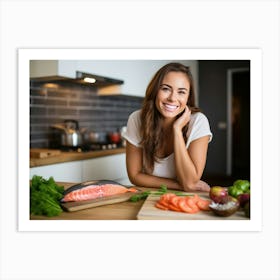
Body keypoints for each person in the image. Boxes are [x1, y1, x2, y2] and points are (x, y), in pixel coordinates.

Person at [122, 62, 212, 192]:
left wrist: (177, 130)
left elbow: (190, 181)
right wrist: (178, 185)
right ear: (155, 90)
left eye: (181, 92)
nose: (172, 98)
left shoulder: (198, 121)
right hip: (148, 198)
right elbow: (135, 175)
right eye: (165, 89)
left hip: (183, 201)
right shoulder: (137, 119)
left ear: (188, 97)